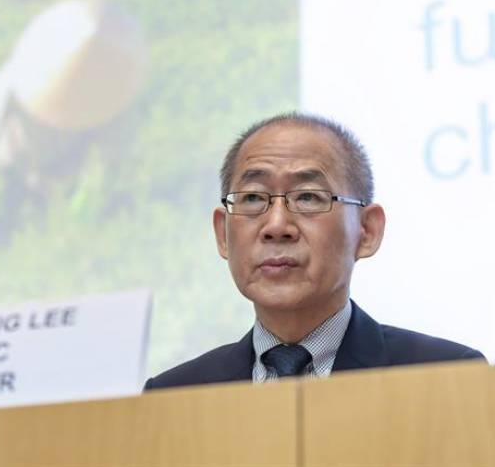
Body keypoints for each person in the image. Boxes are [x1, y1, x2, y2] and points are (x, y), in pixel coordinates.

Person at [145, 112, 485, 389]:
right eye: (253, 198)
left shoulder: (448, 377)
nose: (277, 225)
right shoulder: (174, 395)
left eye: (308, 197)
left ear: (367, 231)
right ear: (223, 234)